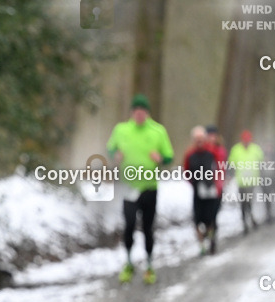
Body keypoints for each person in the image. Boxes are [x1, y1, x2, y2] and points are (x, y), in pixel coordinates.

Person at [107, 93, 174, 284]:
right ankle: (129, 263)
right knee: (128, 225)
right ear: (131, 112)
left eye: (142, 111)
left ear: (148, 113)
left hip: (149, 187)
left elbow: (169, 156)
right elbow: (110, 149)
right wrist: (115, 154)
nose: (139, 114)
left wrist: (161, 158)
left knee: (147, 227)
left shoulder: (158, 131)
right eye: (136, 111)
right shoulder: (121, 130)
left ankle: (149, 265)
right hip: (128, 186)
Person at [183, 125, 226, 255]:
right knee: (197, 220)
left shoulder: (213, 152)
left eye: (201, 138)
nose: (199, 141)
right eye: (197, 139)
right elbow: (186, 171)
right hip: (197, 191)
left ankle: (211, 241)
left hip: (212, 191)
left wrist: (218, 184)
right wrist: (193, 183)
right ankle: (202, 244)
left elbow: (220, 168)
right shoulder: (190, 154)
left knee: (210, 219)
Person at [227, 130, 264, 234]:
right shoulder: (236, 149)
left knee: (249, 200)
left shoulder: (256, 149)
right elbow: (231, 163)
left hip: (252, 181)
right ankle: (245, 221)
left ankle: (250, 217)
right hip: (241, 181)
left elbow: (262, 162)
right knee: (243, 201)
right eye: (245, 140)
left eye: (248, 140)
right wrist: (229, 174)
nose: (246, 142)